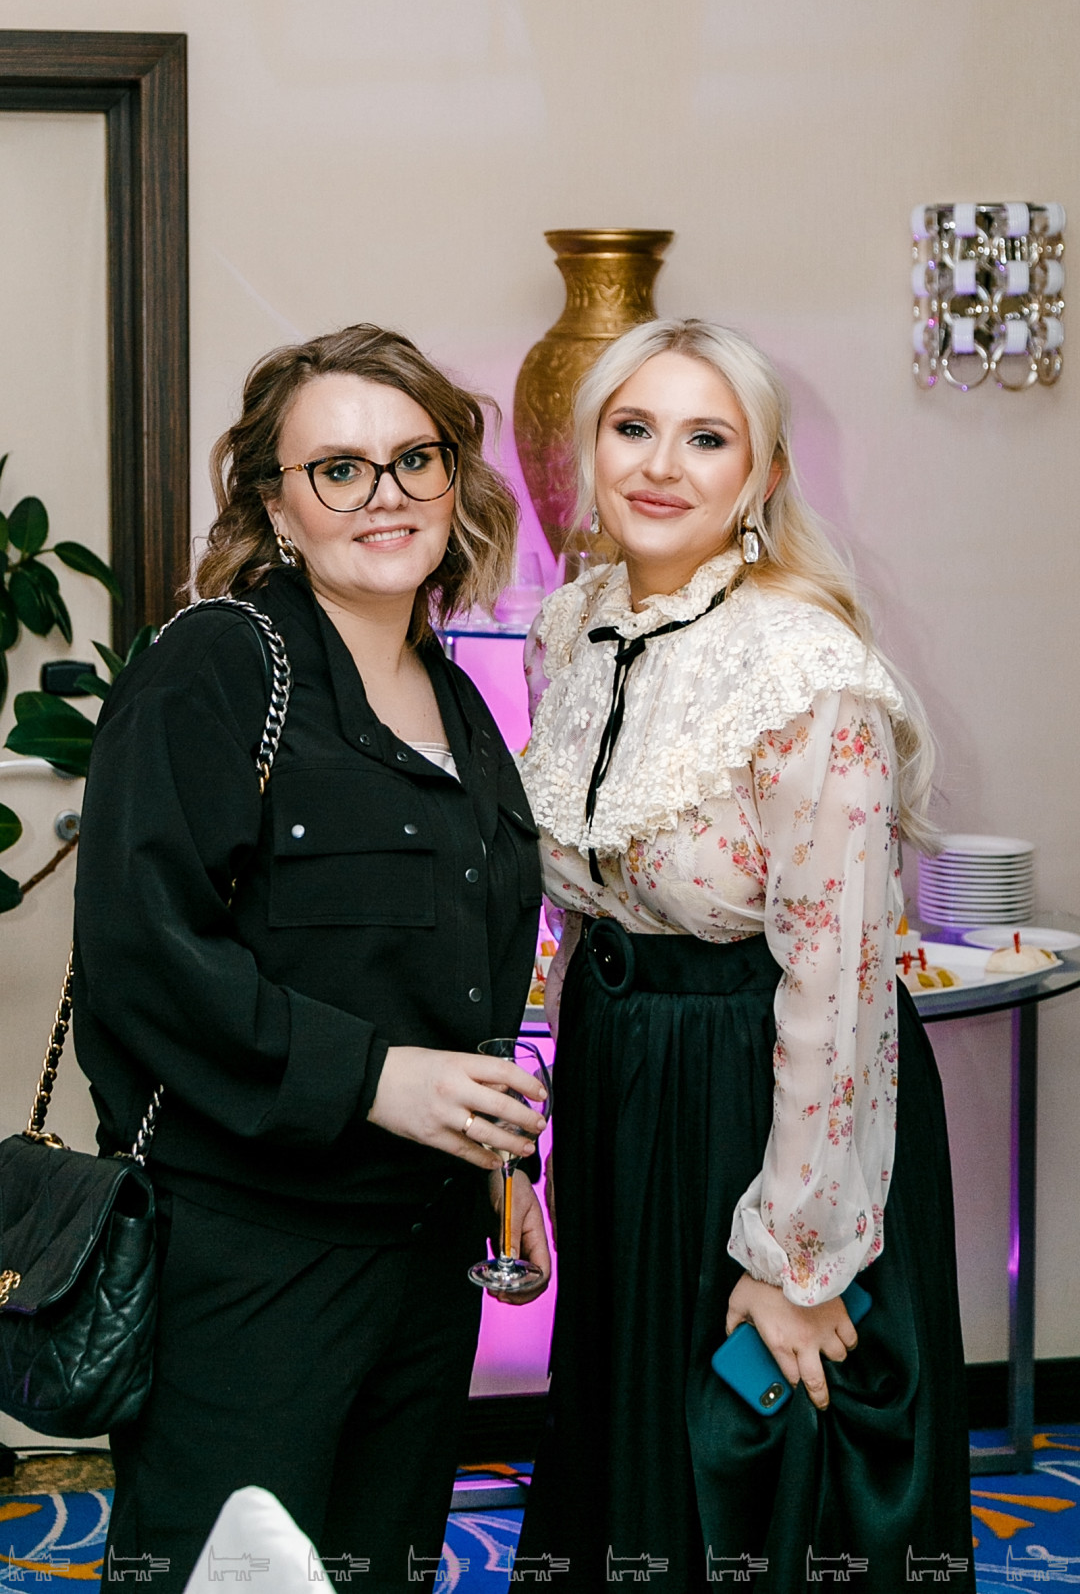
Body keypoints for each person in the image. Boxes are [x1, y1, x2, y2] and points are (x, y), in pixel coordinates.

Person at [72, 324, 550, 1590]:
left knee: (379, 1570)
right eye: (339, 469)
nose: (385, 494)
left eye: (414, 459)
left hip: (427, 1253)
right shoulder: (218, 665)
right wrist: (375, 1077)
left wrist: (508, 1174)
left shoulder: (456, 697)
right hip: (252, 1259)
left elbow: (464, 977)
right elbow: (143, 960)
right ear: (277, 507)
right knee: (227, 1574)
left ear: (455, 479)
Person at [517, 319, 974, 1591]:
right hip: (621, 1089)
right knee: (624, 1442)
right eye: (633, 428)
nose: (662, 465)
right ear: (589, 454)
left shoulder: (806, 669)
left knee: (751, 1452)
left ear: (763, 474)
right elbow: (579, 907)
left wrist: (797, 1254)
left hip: (764, 1097)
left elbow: (839, 982)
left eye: (707, 438)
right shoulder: (571, 630)